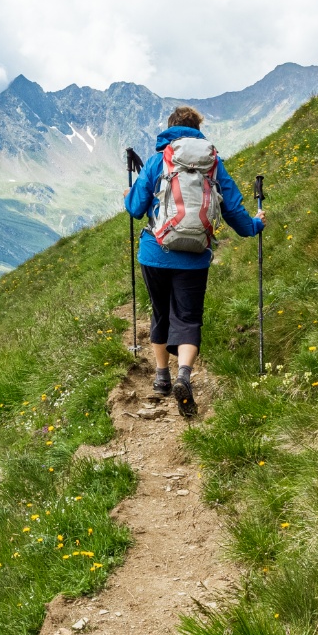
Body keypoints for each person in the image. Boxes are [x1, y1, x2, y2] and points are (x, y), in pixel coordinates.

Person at [124, 105, 264, 417]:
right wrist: (255, 225)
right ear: (197, 130)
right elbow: (233, 210)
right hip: (195, 256)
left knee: (160, 313)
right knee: (187, 319)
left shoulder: (158, 160)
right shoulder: (213, 164)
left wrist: (127, 194)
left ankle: (161, 377)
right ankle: (184, 376)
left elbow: (135, 209)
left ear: (170, 129)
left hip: (155, 253)